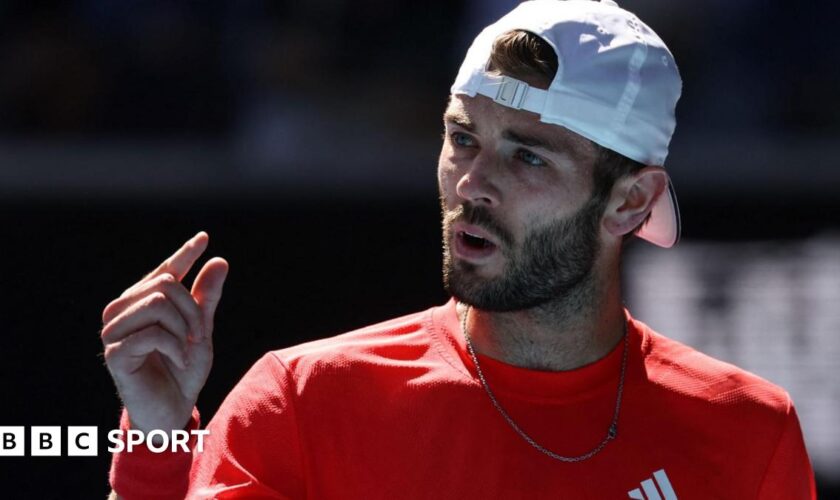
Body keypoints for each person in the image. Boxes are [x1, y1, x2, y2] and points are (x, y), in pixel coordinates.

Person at [102, 1, 816, 498]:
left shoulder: (750, 430)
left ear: (630, 201)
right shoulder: (300, 400)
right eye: (462, 138)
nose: (473, 184)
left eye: (528, 158)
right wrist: (159, 454)